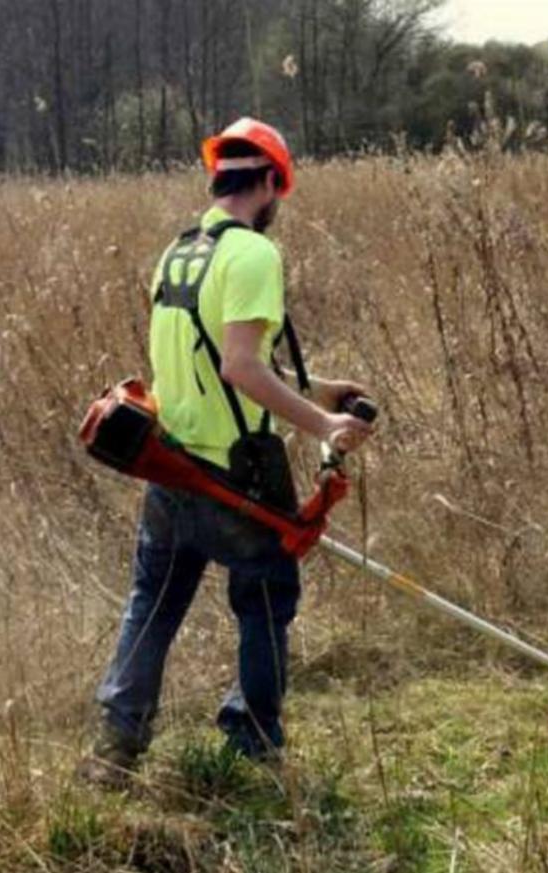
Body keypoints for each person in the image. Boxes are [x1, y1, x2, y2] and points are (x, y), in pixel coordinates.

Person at [78, 117, 373, 788]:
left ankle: (115, 747)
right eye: (279, 191)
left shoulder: (179, 251)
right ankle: (254, 745)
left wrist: (315, 386)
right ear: (268, 182)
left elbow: (209, 358)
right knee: (267, 598)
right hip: (233, 471)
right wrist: (324, 424)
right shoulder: (253, 255)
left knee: (152, 603)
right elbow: (241, 368)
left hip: (167, 462)